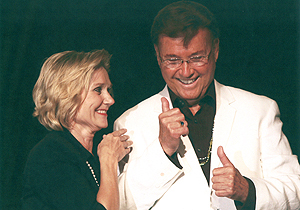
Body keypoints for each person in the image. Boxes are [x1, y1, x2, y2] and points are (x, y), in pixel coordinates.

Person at [114, 1, 300, 210]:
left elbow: (295, 191)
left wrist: (247, 190)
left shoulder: (260, 110)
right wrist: (163, 149)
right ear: (158, 56)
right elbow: (121, 203)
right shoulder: (130, 122)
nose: (186, 72)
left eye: (196, 58)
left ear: (216, 50)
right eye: (173, 60)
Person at [22, 49, 132, 210]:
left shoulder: (87, 155)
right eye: (98, 89)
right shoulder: (50, 155)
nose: (110, 100)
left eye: (108, 90)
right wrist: (108, 160)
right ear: (66, 94)